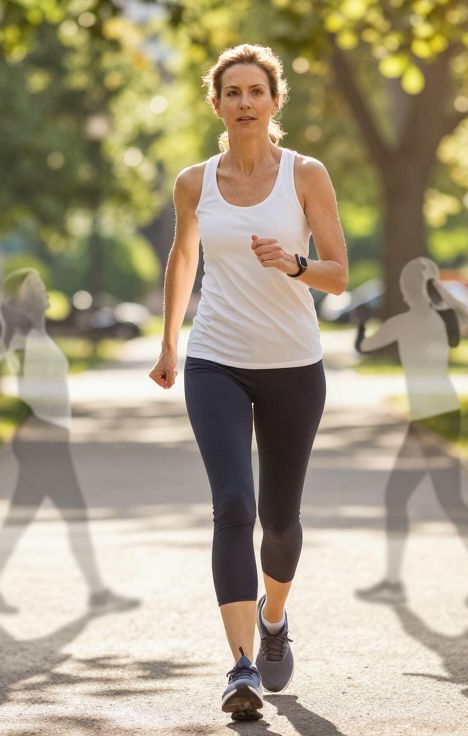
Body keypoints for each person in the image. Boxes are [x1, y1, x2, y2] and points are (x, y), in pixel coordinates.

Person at [148, 43, 349, 722]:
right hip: (217, 361)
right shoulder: (193, 182)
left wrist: (295, 264)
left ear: (274, 101)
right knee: (233, 504)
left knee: (280, 521)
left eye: (254, 91)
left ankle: (274, 618)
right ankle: (239, 668)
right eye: (230, 92)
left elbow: (339, 273)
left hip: (294, 363)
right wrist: (171, 339)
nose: (243, 103)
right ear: (216, 104)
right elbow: (183, 260)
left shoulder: (306, 175)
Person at [0, 268, 136, 616]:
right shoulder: (27, 341)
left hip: (48, 439)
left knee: (53, 517)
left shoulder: (35, 336)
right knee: (41, 517)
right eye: (39, 290)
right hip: (42, 441)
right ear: (26, 302)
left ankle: (94, 592)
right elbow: (32, 391)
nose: (46, 293)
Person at [352, 257, 468, 607]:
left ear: (405, 290)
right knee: (415, 498)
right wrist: (441, 291)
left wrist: (360, 325)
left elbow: (364, 347)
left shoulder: (405, 323)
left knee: (436, 498)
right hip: (435, 415)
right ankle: (395, 582)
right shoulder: (440, 318)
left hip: (436, 416)